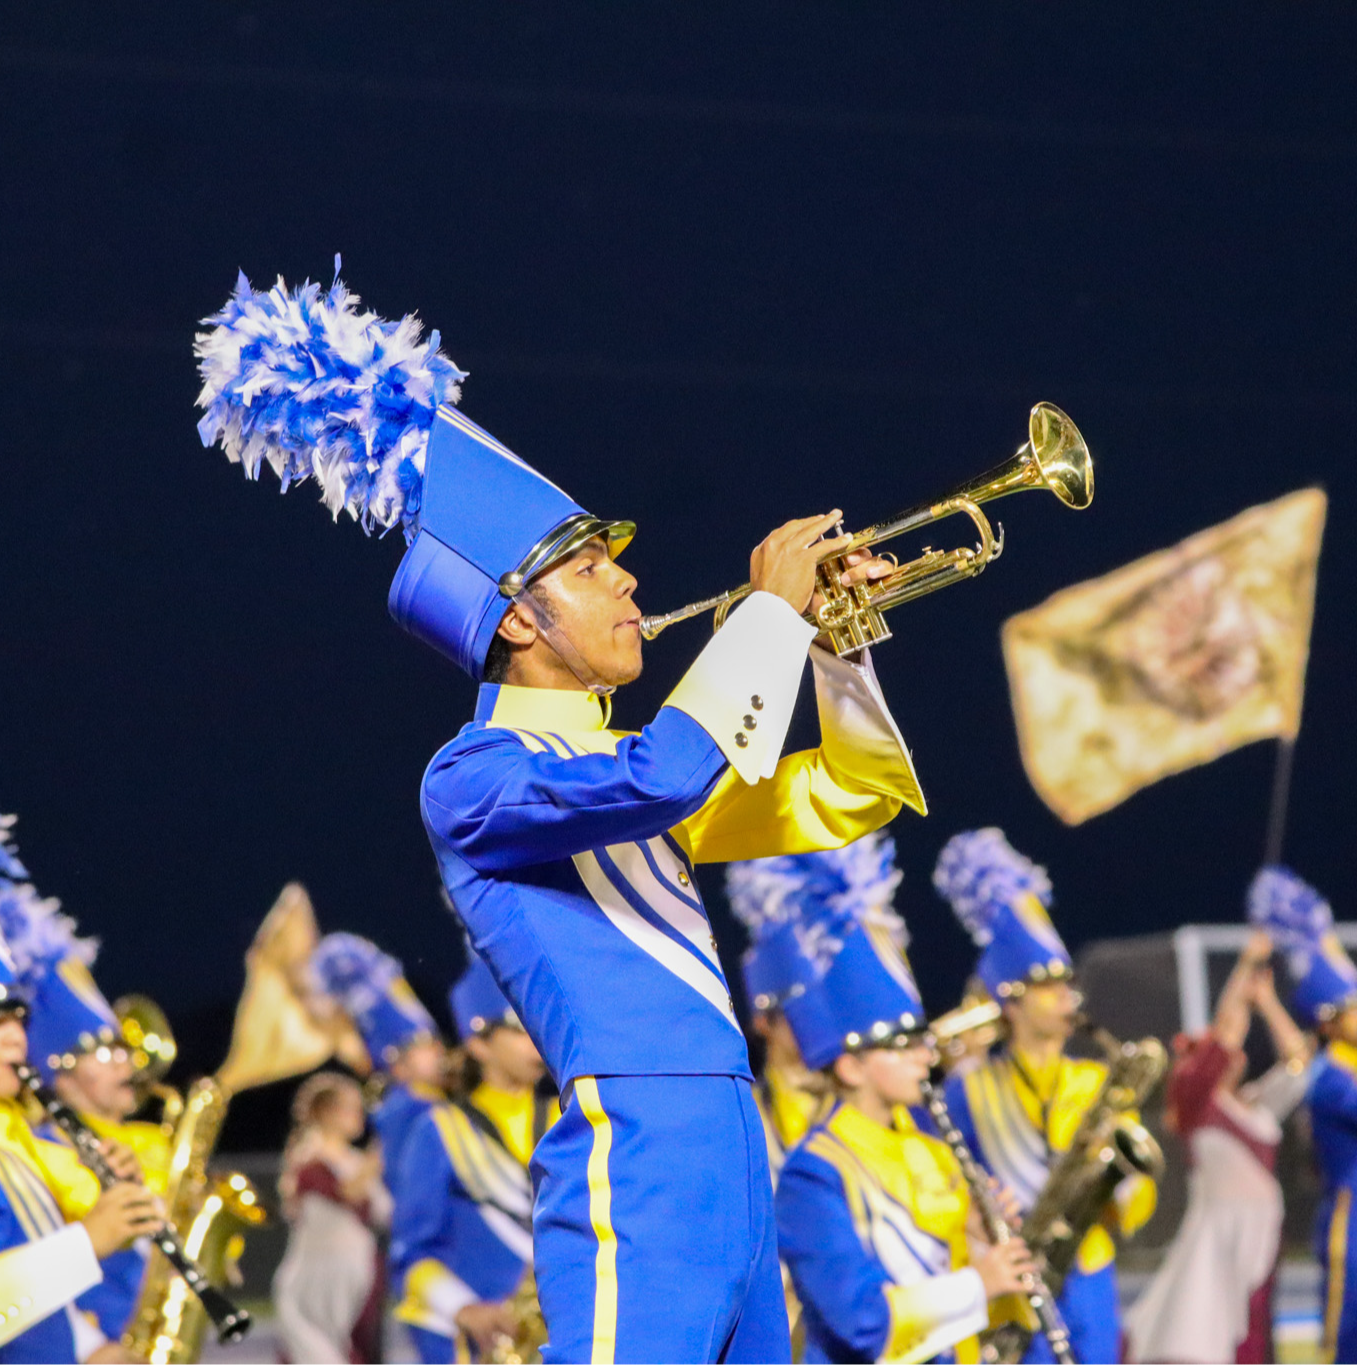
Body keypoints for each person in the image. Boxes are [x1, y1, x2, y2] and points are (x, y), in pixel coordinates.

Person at [197, 268, 926, 1364]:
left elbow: (846, 795)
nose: (632, 586)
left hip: (733, 1145)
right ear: (520, 619)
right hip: (636, 1144)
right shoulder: (474, 775)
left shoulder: (620, 761)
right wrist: (769, 613)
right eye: (594, 570)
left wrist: (837, 648)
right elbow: (664, 778)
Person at [751, 833, 1034, 1365]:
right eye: (900, 1046)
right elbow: (864, 1325)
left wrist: (976, 1242)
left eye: (921, 1041)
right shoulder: (812, 1175)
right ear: (851, 1064)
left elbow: (982, 1320)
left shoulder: (935, 1151)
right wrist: (979, 1281)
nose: (924, 1056)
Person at [934, 829, 1156, 1365]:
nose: (1066, 996)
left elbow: (1140, 1192)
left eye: (1067, 982)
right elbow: (949, 1183)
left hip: (1091, 1269)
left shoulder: (1094, 1080)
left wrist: (1120, 1185)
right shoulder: (968, 1088)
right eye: (1048, 983)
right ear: (1010, 999)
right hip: (1016, 1280)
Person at [0, 853, 161, 1364]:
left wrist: (91, 1349)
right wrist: (86, 1241)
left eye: (16, 1016)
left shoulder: (12, 1138)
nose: (14, 1038)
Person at [1126, 924, 1310, 1365]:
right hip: (1219, 1235)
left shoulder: (1253, 1105)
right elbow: (1226, 1030)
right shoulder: (1197, 1103)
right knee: (1209, 1331)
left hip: (1261, 1233)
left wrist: (1265, 1002)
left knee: (1255, 1326)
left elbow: (1298, 1060)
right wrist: (1246, 965)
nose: (1232, 1045)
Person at [392, 953, 556, 1364]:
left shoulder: (569, 1118)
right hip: (485, 1344)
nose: (535, 1041)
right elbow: (410, 1254)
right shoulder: (441, 1130)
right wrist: (462, 1307)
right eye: (519, 1028)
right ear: (479, 1043)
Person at [1248, 864, 1357, 1365]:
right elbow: (1305, 1062)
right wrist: (1266, 1001)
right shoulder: (1330, 1076)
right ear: (1330, 1022)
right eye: (1355, 1007)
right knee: (1345, 1335)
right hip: (1353, 1222)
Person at [311, 933, 450, 1197]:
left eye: (434, 1042)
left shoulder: (427, 1102)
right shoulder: (406, 1109)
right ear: (398, 1063)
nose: (438, 1051)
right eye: (422, 1043)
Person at [274, 1072, 390, 1365]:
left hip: (357, 1267)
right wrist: (380, 1152)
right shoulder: (309, 1155)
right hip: (319, 1273)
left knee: (358, 1350)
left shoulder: (352, 1157)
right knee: (320, 1353)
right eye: (350, 1108)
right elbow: (347, 1193)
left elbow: (383, 1211)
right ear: (326, 1113)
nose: (359, 1116)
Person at [726, 860, 832, 1181]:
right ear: (762, 1022)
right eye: (799, 1013)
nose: (816, 1026)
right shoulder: (743, 1120)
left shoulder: (868, 1107)